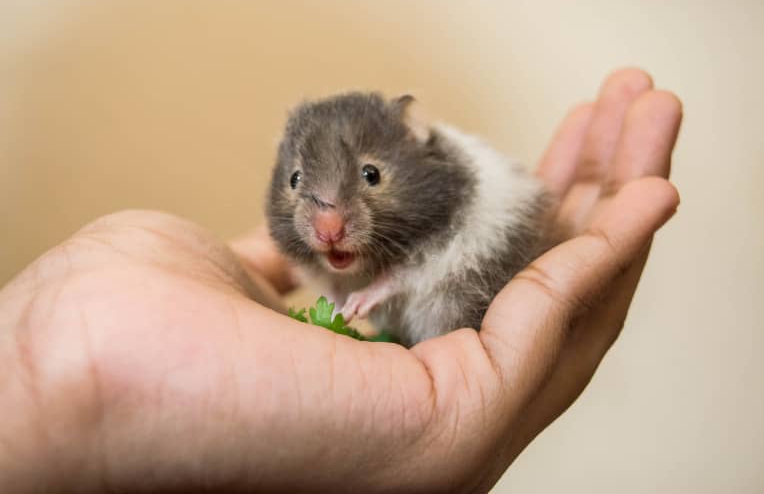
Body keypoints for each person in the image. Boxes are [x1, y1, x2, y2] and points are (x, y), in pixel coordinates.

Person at [0, 68, 681, 493]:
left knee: (444, 296)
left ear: (409, 153)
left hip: (455, 261)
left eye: (370, 179)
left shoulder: (452, 188)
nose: (325, 223)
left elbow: (440, 241)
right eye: (300, 186)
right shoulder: (305, 230)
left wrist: (401, 284)